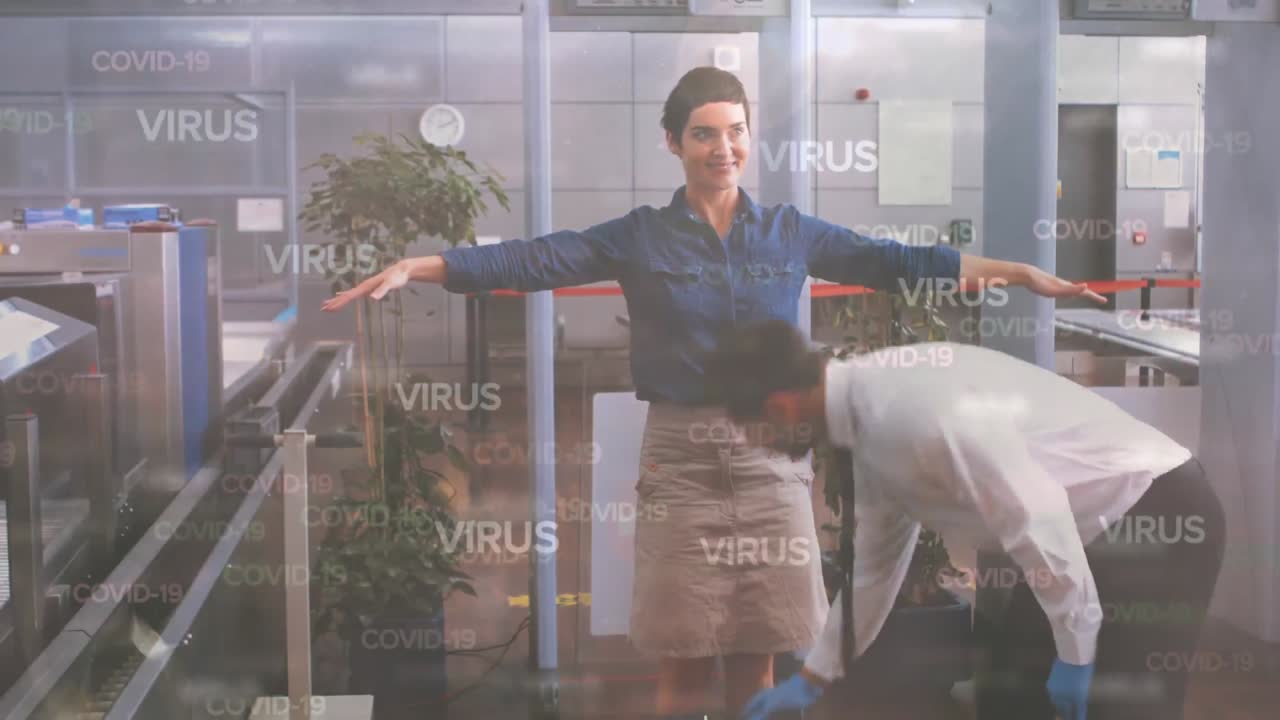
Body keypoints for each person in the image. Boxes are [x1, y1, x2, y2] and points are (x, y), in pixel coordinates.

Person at [322, 67, 1103, 718]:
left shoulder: (789, 232)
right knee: (684, 664)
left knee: (758, 658)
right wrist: (420, 267)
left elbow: (894, 260)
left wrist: (1020, 274)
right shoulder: (640, 236)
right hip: (682, 465)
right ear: (673, 143)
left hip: (774, 464)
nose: (722, 147)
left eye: (735, 131)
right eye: (703, 132)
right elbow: (535, 261)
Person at [705, 320, 1226, 720]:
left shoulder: (910, 412)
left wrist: (1075, 653)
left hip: (1155, 511)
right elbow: (873, 573)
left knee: (1124, 705)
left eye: (749, 429)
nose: (755, 445)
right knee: (1008, 695)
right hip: (1086, 530)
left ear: (780, 407)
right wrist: (814, 677)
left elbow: (1037, 514)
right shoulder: (866, 423)